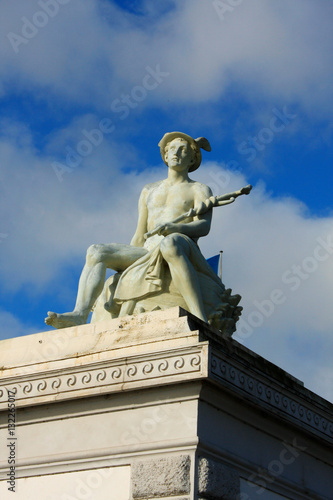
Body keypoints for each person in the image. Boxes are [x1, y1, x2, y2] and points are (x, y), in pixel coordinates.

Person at [45, 132, 220, 329]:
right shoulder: (149, 190)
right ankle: (79, 313)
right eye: (171, 149)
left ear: (192, 158)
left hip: (180, 244)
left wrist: (175, 227)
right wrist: (127, 267)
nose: (175, 153)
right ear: (164, 156)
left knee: (170, 242)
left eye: (182, 150)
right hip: (147, 249)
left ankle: (199, 316)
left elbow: (203, 227)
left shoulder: (199, 189)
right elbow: (140, 232)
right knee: (96, 251)